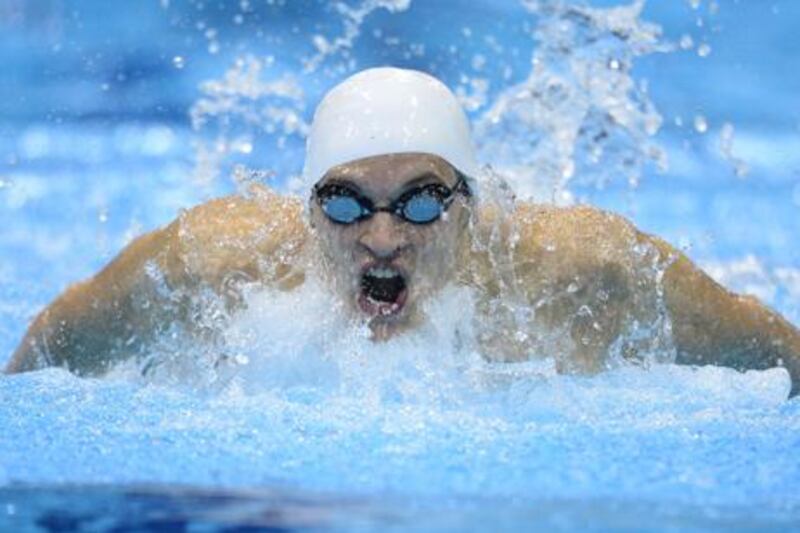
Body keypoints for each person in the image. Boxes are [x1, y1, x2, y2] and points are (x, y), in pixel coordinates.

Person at [6, 67, 800, 396]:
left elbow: (777, 356)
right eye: (348, 203)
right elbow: (37, 369)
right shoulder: (209, 260)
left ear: (470, 206)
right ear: (309, 208)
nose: (382, 236)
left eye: (421, 202)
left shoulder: (587, 269)